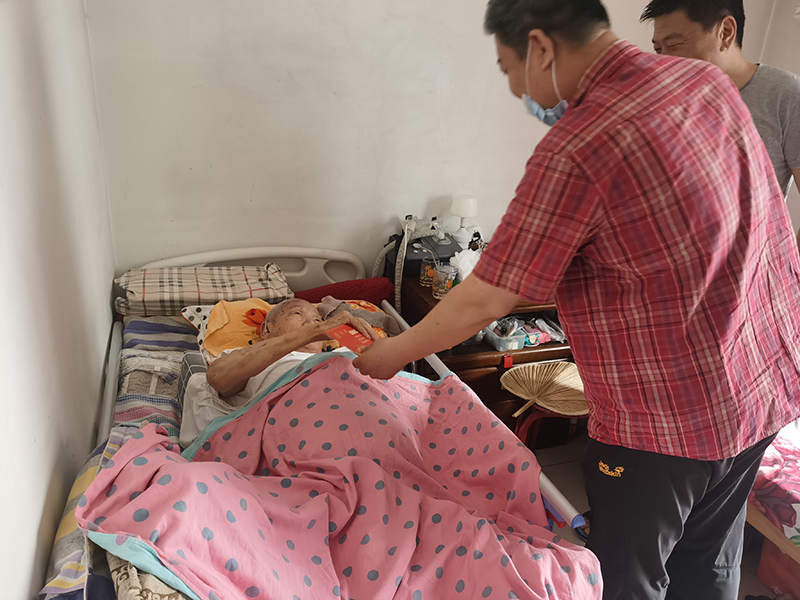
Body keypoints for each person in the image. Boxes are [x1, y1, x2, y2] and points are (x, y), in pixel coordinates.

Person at [353, 0, 800, 598]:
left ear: (540, 47)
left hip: (666, 422)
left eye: (509, 69)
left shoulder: (580, 145)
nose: (517, 89)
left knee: (626, 576)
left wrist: (388, 354)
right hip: (762, 383)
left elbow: (486, 297)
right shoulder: (704, 82)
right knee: (710, 558)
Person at [179, 299, 377, 447]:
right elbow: (218, 377)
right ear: (266, 330)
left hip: (363, 427)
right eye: (298, 313)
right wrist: (315, 331)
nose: (312, 322)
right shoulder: (252, 358)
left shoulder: (342, 355)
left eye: (317, 319)